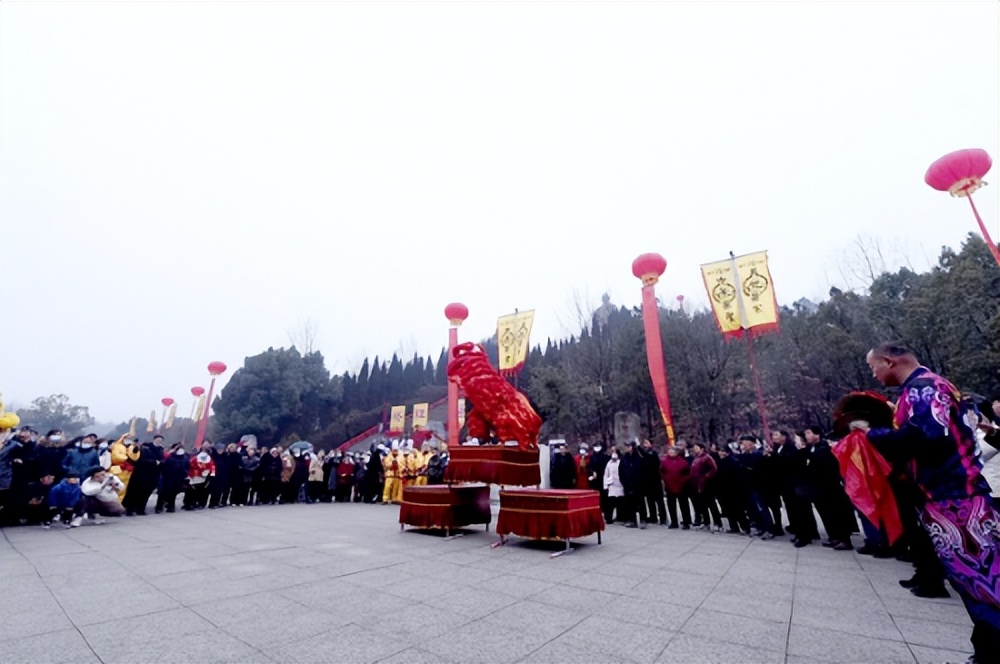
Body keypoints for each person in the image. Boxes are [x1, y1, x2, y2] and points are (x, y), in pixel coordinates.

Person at [861, 341, 998, 661]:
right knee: (980, 579)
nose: (875, 374)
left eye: (873, 367)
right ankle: (987, 650)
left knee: (980, 582)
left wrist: (871, 434)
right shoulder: (939, 385)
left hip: (955, 501)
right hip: (958, 496)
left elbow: (927, 437)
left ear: (889, 361)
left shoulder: (922, 390)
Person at [659, 445, 691, 529]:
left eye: (673, 452)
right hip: (669, 486)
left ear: (677, 453)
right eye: (670, 451)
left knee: (683, 504)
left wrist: (682, 481)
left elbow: (687, 474)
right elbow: (662, 472)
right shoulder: (664, 462)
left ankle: (686, 522)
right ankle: (674, 522)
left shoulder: (683, 462)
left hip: (681, 486)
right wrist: (665, 479)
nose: (671, 453)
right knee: (671, 505)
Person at [603, 448, 625, 523]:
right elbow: (606, 475)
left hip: (620, 484)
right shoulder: (609, 463)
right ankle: (608, 518)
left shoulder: (622, 462)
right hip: (612, 485)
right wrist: (605, 485)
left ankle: (621, 517)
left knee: (620, 502)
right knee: (610, 503)